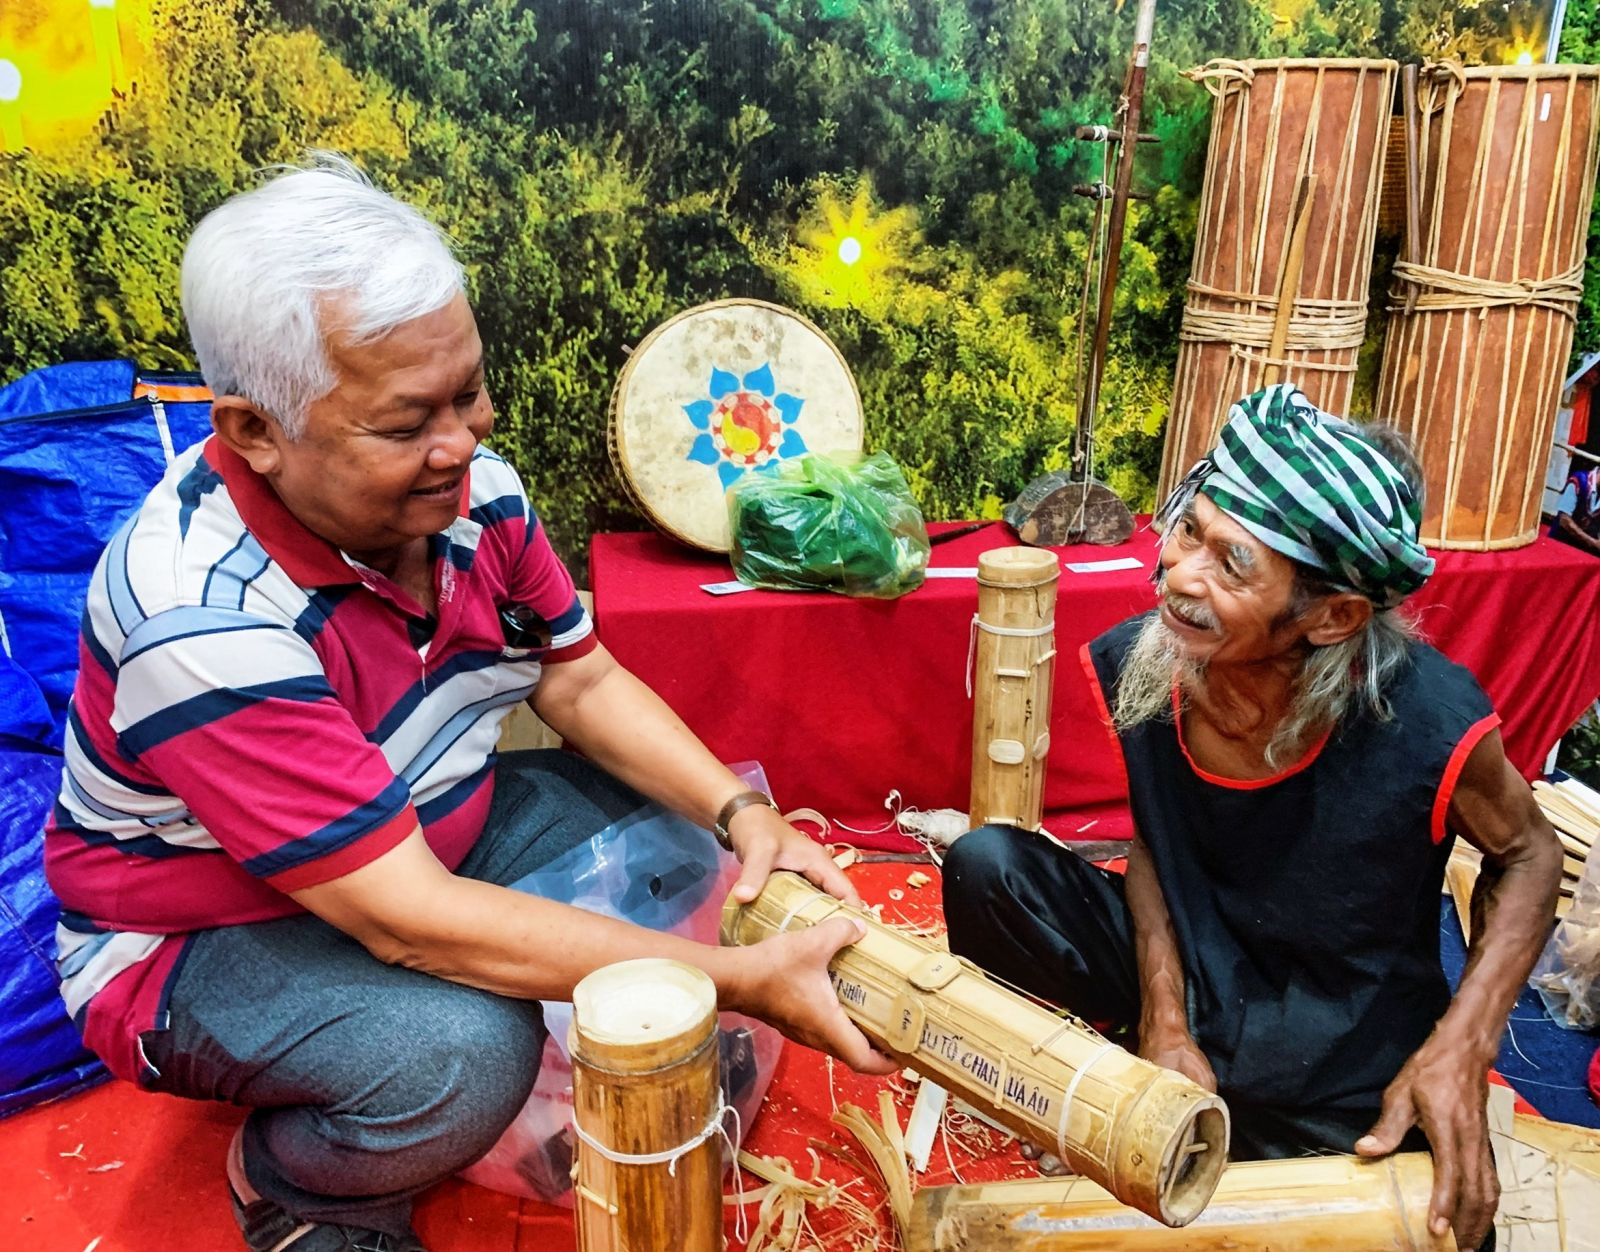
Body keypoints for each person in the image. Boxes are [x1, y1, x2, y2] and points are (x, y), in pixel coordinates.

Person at [44, 154, 895, 1252]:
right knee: (465, 1054)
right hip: (205, 932)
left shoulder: (471, 496)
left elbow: (578, 677)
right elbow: (406, 919)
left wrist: (742, 816)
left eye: (469, 392)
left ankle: (411, 1040)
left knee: (669, 833)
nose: (461, 443)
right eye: (406, 424)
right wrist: (736, 983)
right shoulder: (200, 616)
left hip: (410, 830)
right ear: (256, 430)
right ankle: (300, 1186)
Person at [943, 385, 1563, 1252]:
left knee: (1444, 1228)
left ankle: (1248, 1132)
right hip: (1194, 978)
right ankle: (1168, 1076)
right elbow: (1156, 842)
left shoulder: (1425, 720)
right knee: (989, 869)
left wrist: (1465, 1045)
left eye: (1232, 565)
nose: (1178, 575)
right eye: (1188, 531)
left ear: (1333, 617)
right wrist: (1164, 1022)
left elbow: (1531, 854)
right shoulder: (1154, 658)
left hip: (1342, 1036)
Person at [1549, 463, 1600, 556]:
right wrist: (1592, 542)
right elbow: (1564, 520)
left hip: (1585, 552)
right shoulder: (1579, 480)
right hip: (1560, 544)